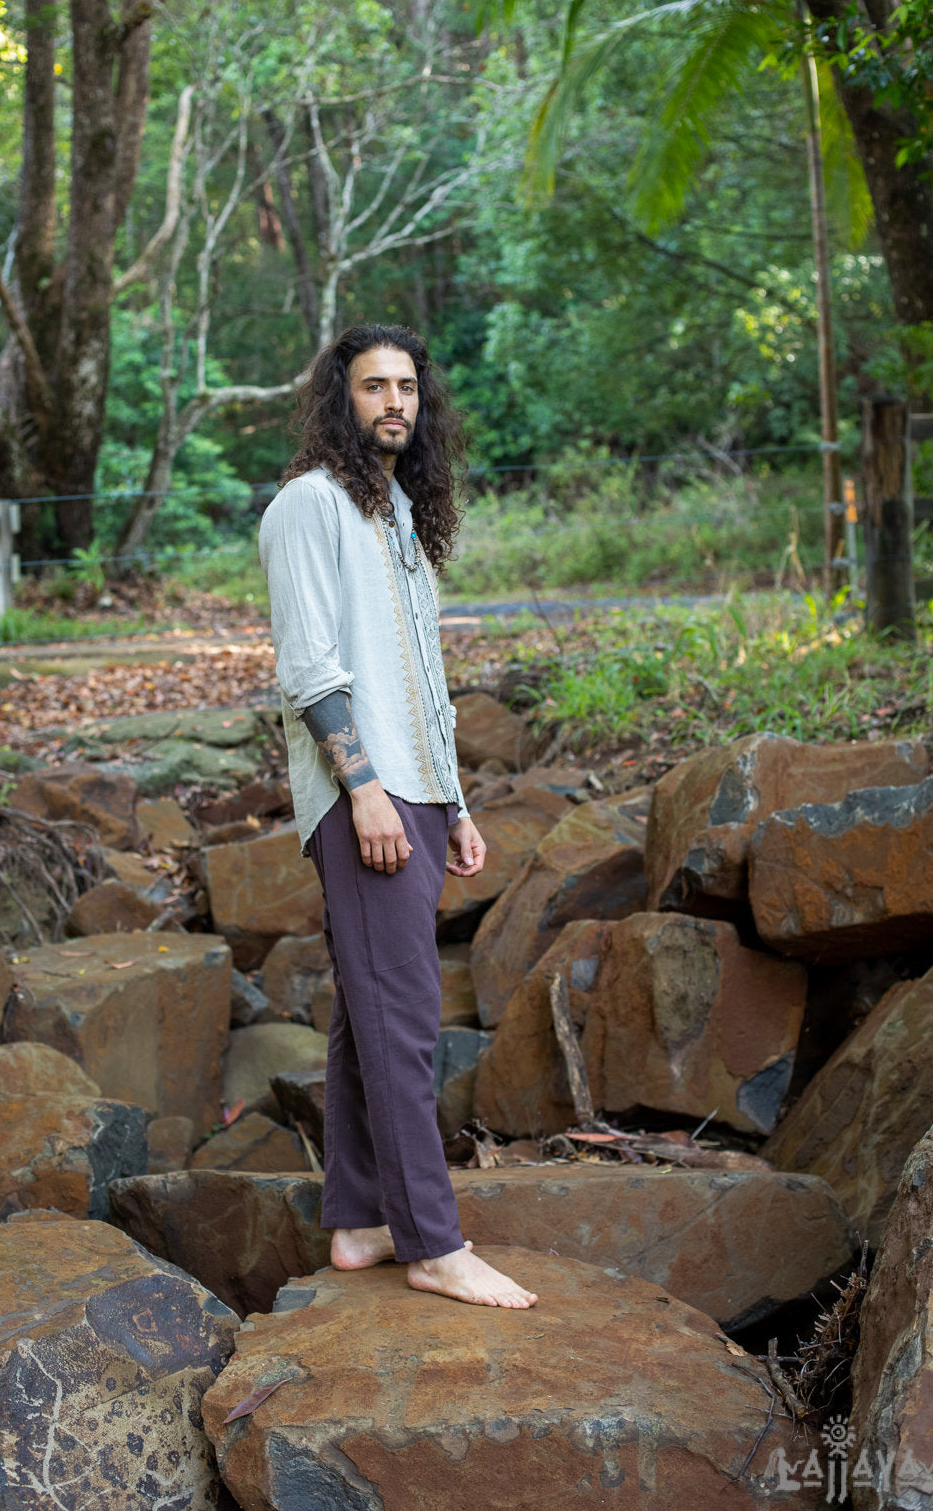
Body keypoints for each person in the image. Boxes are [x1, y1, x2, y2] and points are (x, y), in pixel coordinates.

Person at [259, 323, 537, 1309]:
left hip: (419, 792)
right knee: (408, 1020)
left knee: (366, 1018)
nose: (394, 402)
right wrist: (364, 788)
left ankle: (357, 1221)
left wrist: (453, 802)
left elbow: (424, 681)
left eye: (407, 387)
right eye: (373, 385)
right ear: (339, 399)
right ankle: (431, 1241)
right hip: (364, 795)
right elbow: (310, 669)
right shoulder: (309, 506)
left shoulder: (400, 518)